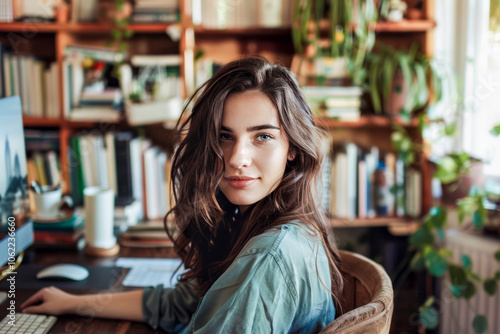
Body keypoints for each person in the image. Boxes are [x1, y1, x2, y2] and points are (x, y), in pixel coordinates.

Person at [21, 57, 344, 333]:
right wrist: (75, 303)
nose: (236, 158)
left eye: (262, 136)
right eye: (223, 136)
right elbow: (185, 303)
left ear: (292, 148)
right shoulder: (262, 225)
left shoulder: (269, 255)